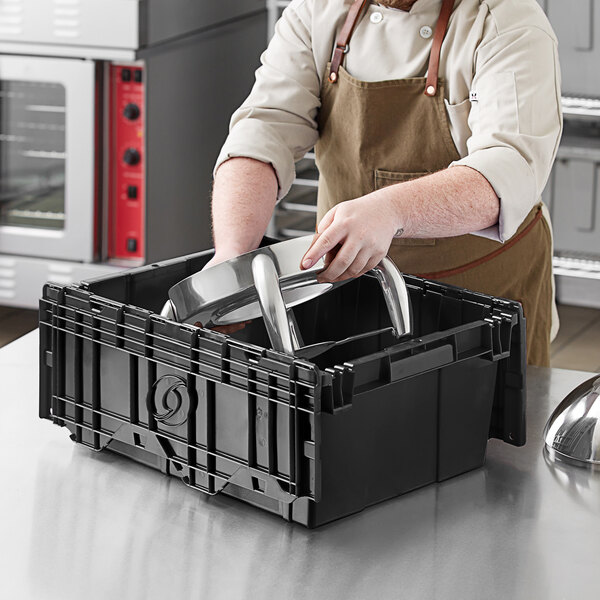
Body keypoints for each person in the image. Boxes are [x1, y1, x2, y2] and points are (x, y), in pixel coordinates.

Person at [209, 0, 562, 366]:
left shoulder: (505, 20)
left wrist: (390, 210)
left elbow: (507, 168)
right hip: (350, 292)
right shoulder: (318, 10)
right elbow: (265, 128)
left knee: (484, 418)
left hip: (480, 299)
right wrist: (233, 255)